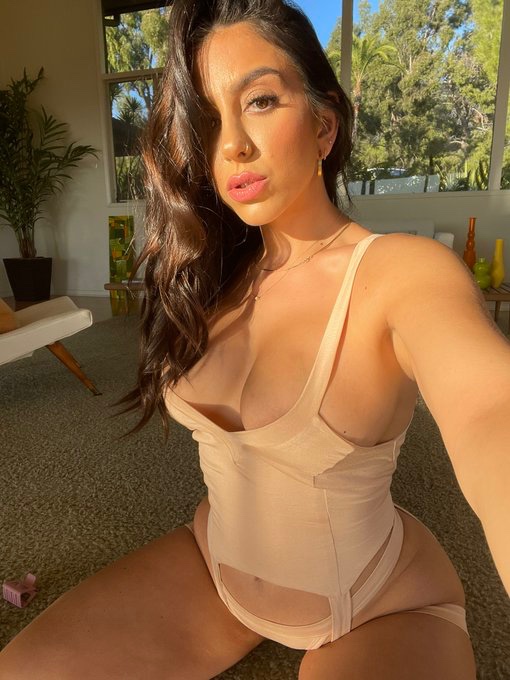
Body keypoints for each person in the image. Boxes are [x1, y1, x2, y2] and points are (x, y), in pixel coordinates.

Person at [1, 0, 508, 678]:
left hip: (380, 604)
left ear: (324, 124)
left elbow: (491, 411)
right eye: (208, 119)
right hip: (214, 568)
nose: (232, 143)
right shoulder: (209, 275)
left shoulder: (399, 272)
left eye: (261, 101)